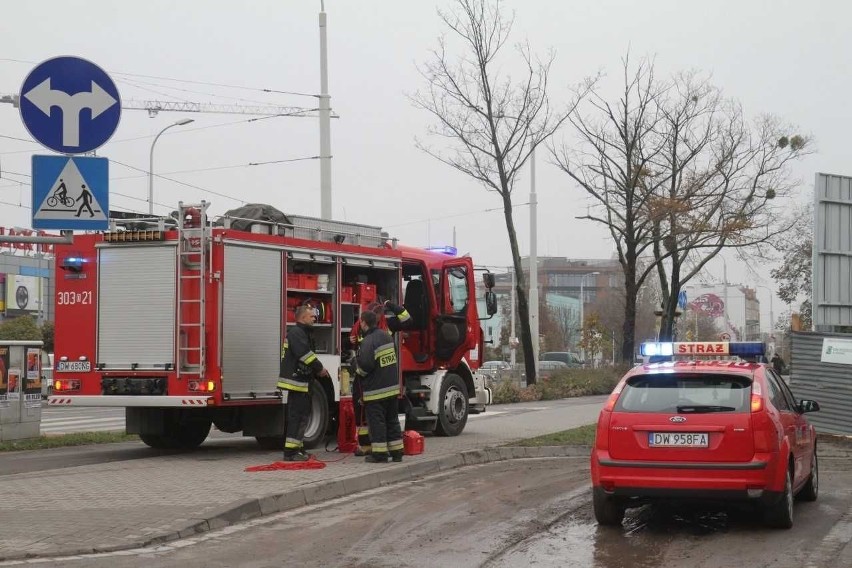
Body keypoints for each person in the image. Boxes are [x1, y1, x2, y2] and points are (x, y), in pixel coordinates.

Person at [276, 304, 329, 461]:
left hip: (302, 381)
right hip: (297, 381)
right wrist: (320, 368)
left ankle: (297, 448)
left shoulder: (302, 332)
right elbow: (305, 355)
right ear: (303, 318)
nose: (314, 317)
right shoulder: (297, 333)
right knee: (297, 417)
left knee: (302, 417)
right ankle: (290, 452)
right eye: (311, 316)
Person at [355, 310, 403, 463]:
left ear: (363, 323)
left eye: (360, 322)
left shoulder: (368, 341)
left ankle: (380, 454)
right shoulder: (387, 336)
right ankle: (397, 453)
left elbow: (366, 367)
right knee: (392, 421)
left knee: (377, 423)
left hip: (376, 392)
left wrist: (354, 366)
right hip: (392, 389)